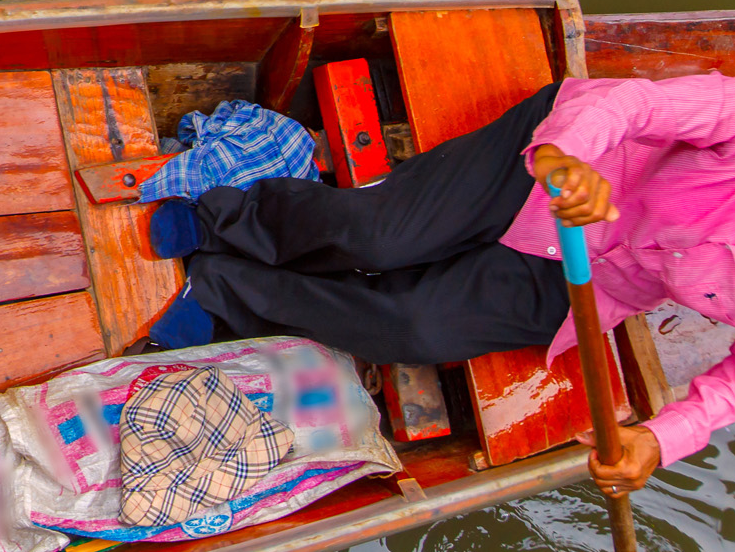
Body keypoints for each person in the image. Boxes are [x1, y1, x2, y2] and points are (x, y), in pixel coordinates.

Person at [148, 74, 735, 500]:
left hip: (589, 278)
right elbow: (636, 102)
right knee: (379, 237)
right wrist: (566, 159)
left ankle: (219, 288)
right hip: (552, 165)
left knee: (412, 327)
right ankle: (223, 218)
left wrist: (659, 441)